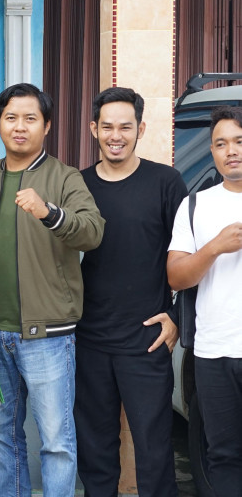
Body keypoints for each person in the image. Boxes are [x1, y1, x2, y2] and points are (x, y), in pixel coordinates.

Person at [0, 82, 104, 497]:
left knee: (56, 441)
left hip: (48, 336)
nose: (19, 127)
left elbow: (92, 232)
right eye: (10, 118)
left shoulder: (65, 177)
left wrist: (49, 213)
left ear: (47, 125)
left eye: (30, 118)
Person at [76, 87, 184, 497]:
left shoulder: (165, 182)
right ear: (93, 129)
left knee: (154, 449)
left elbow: (186, 256)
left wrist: (176, 316)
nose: (115, 136)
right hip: (88, 339)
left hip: (146, 339)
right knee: (96, 450)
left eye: (125, 127)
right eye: (107, 127)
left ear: (140, 129)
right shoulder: (77, 184)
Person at [167, 105, 242, 495]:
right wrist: (215, 247)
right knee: (223, 456)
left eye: (239, 141)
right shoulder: (195, 205)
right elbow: (176, 276)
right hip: (214, 353)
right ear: (211, 151)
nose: (231, 151)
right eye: (221, 143)